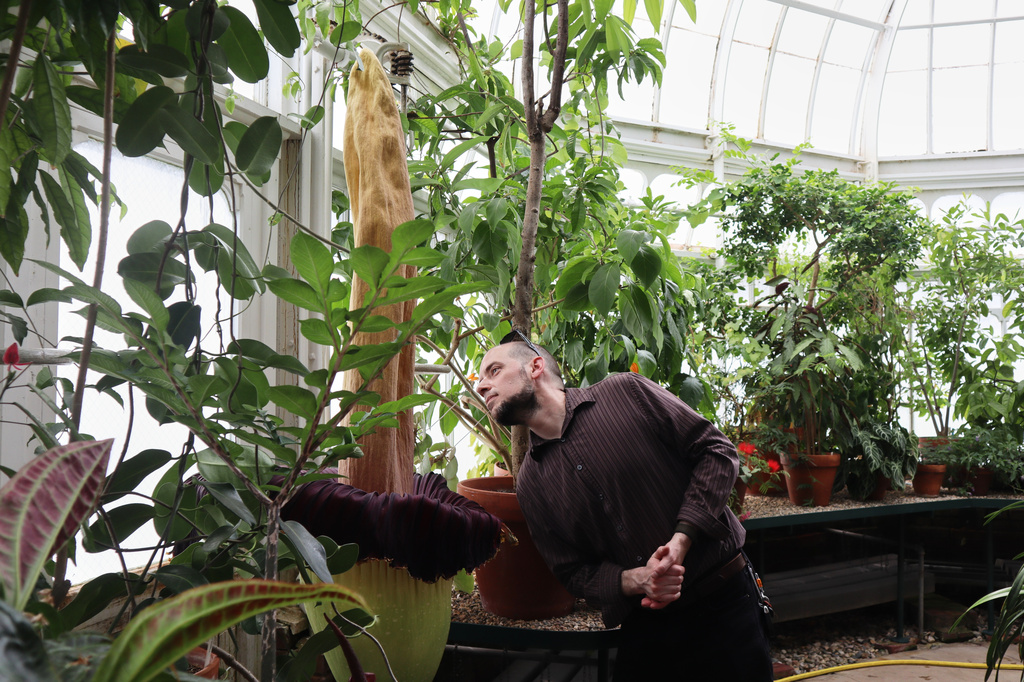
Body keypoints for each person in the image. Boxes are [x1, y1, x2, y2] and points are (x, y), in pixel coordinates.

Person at [476, 331, 774, 680]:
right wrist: (636, 580)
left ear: (536, 367)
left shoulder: (626, 392)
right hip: (647, 629)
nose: (482, 386)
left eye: (493, 371)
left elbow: (716, 452)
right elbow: (571, 572)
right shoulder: (530, 482)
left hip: (724, 605)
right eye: (480, 379)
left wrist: (681, 541)